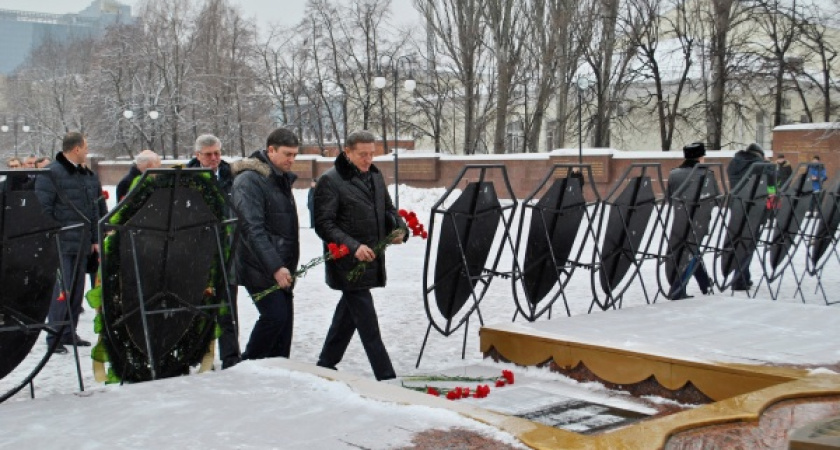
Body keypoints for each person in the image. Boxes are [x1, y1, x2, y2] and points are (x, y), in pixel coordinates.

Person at [314, 130, 407, 381]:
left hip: (371, 259)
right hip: (346, 261)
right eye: (362, 155)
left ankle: (325, 362)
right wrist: (353, 246)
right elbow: (324, 224)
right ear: (347, 152)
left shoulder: (375, 176)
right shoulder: (331, 181)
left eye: (372, 154)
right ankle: (386, 376)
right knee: (367, 321)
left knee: (348, 314)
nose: (368, 159)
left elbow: (389, 209)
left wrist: (400, 229)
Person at [231, 128, 300, 362]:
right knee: (275, 317)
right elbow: (252, 228)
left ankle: (278, 368)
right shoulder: (249, 180)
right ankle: (250, 362)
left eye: (295, 155)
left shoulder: (278, 178)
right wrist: (275, 266)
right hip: (257, 265)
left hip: (279, 264)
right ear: (270, 150)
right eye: (287, 154)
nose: (292, 160)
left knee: (284, 326)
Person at [34, 132, 104, 354]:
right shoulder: (51, 174)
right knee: (61, 291)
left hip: (82, 242)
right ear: (76, 149)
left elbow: (93, 209)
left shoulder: (86, 174)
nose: (87, 151)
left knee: (75, 291)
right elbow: (43, 209)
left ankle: (68, 332)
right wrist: (58, 233)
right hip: (61, 243)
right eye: (85, 147)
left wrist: (94, 239)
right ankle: (54, 337)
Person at [188, 135, 242, 369]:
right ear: (197, 155)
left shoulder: (232, 176)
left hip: (226, 250)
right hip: (197, 253)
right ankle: (201, 356)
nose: (214, 159)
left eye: (217, 153)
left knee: (228, 306)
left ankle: (230, 356)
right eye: (208, 154)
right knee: (200, 308)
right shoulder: (184, 178)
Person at [666, 142, 713, 300]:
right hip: (698, 219)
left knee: (690, 250)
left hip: (680, 219)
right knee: (690, 252)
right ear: (699, 157)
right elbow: (713, 197)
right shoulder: (705, 173)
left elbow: (669, 197)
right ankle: (678, 288)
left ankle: (705, 283)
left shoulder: (674, 174)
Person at [726, 142, 766, 291]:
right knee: (748, 244)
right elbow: (770, 188)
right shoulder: (760, 166)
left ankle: (743, 276)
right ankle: (740, 279)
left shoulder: (733, 164)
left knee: (738, 242)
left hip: (736, 206)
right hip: (755, 208)